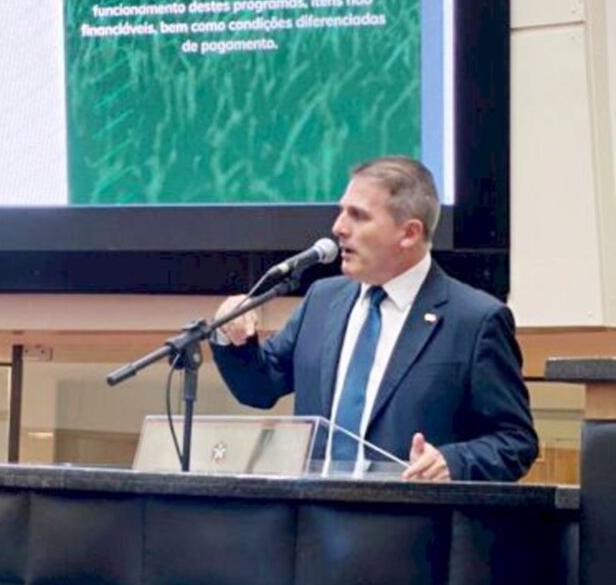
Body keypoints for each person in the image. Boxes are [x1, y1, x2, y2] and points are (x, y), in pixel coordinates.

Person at [212, 156, 538, 482]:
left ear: (409, 233)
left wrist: (453, 462)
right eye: (342, 211)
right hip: (311, 520)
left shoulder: (475, 320)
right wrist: (232, 336)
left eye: (358, 216)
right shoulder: (323, 300)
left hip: (406, 525)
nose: (338, 227)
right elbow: (259, 386)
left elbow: (515, 441)